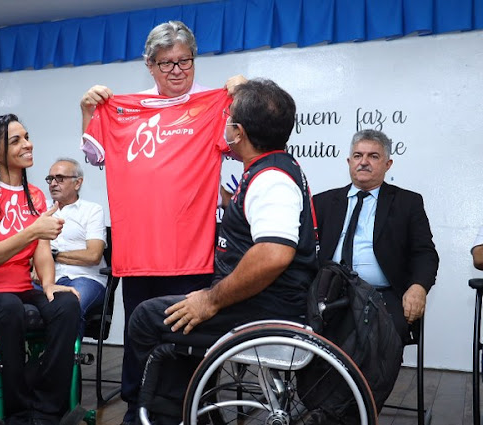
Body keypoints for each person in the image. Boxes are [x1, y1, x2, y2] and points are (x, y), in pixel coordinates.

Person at [79, 21, 246, 424]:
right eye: (166, 63)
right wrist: (87, 111)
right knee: (141, 344)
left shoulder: (214, 106)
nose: (176, 70)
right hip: (138, 257)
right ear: (149, 65)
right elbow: (95, 156)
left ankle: (196, 414)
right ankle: (140, 414)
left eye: (184, 61)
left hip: (194, 255)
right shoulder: (122, 108)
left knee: (193, 347)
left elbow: (245, 143)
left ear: (194, 60)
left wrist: (242, 96)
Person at [128, 78, 318, 425]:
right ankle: (175, 408)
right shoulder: (270, 170)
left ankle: (152, 413)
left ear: (239, 132)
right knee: (178, 314)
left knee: (147, 316)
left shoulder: (271, 180)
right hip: (266, 302)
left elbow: (274, 254)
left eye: (228, 118)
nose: (225, 123)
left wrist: (211, 300)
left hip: (265, 309)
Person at [0, 114, 80, 425]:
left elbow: (42, 251)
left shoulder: (34, 195)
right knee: (8, 306)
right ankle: (16, 410)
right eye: (16, 140)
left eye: (27, 136)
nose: (28, 144)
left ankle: (48, 409)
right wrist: (32, 232)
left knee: (66, 303)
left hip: (19, 291)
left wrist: (48, 283)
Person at [314, 129, 439, 350]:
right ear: (349, 161)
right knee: (313, 335)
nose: (364, 162)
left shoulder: (407, 202)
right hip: (330, 293)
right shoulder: (323, 202)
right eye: (358, 156)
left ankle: (364, 386)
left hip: (382, 296)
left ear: (388, 164)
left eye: (373, 156)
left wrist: (418, 288)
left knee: (376, 344)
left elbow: (425, 253)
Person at [46, 158, 107, 337]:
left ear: (78, 182)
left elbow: (93, 255)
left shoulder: (92, 210)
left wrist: (53, 255)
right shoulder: (41, 210)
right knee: (19, 304)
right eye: (50, 179)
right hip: (48, 278)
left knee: (71, 306)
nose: (53, 184)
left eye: (60, 178)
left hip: (85, 278)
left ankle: (68, 362)